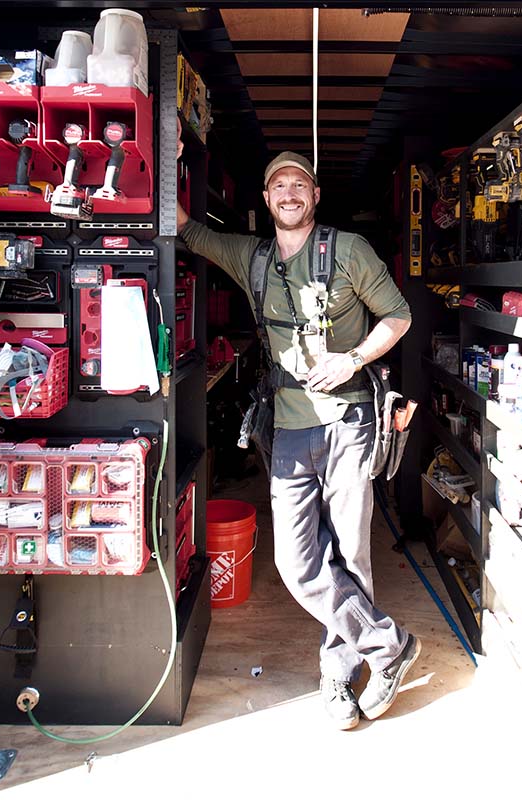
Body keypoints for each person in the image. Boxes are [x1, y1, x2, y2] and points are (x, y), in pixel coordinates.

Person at [177, 148, 420, 730]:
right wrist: (170, 155)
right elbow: (184, 228)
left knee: (350, 555)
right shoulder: (250, 256)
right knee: (296, 561)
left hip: (350, 422)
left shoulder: (349, 251)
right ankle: (389, 647)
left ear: (315, 197)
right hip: (287, 428)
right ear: (266, 200)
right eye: (278, 185)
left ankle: (338, 677)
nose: (289, 193)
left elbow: (399, 314)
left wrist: (353, 358)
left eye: (300, 184)